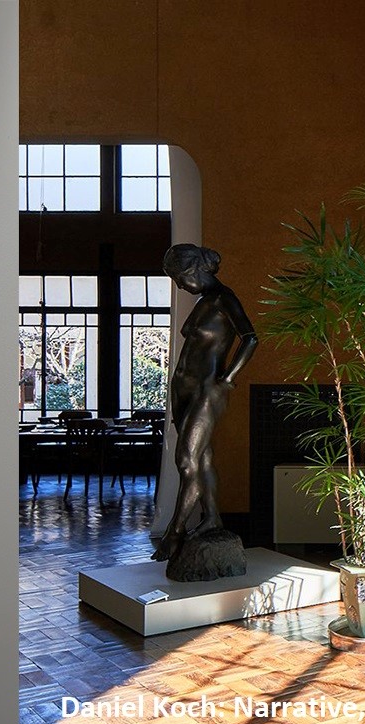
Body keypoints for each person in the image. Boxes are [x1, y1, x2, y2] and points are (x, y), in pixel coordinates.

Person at [152, 244, 257, 581]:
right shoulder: (202, 301)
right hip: (183, 389)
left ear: (197, 269)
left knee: (187, 460)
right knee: (203, 459)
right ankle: (211, 517)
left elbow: (251, 338)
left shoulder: (225, 298)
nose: (180, 286)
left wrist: (227, 378)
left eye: (181, 279)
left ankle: (176, 530)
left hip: (207, 389)